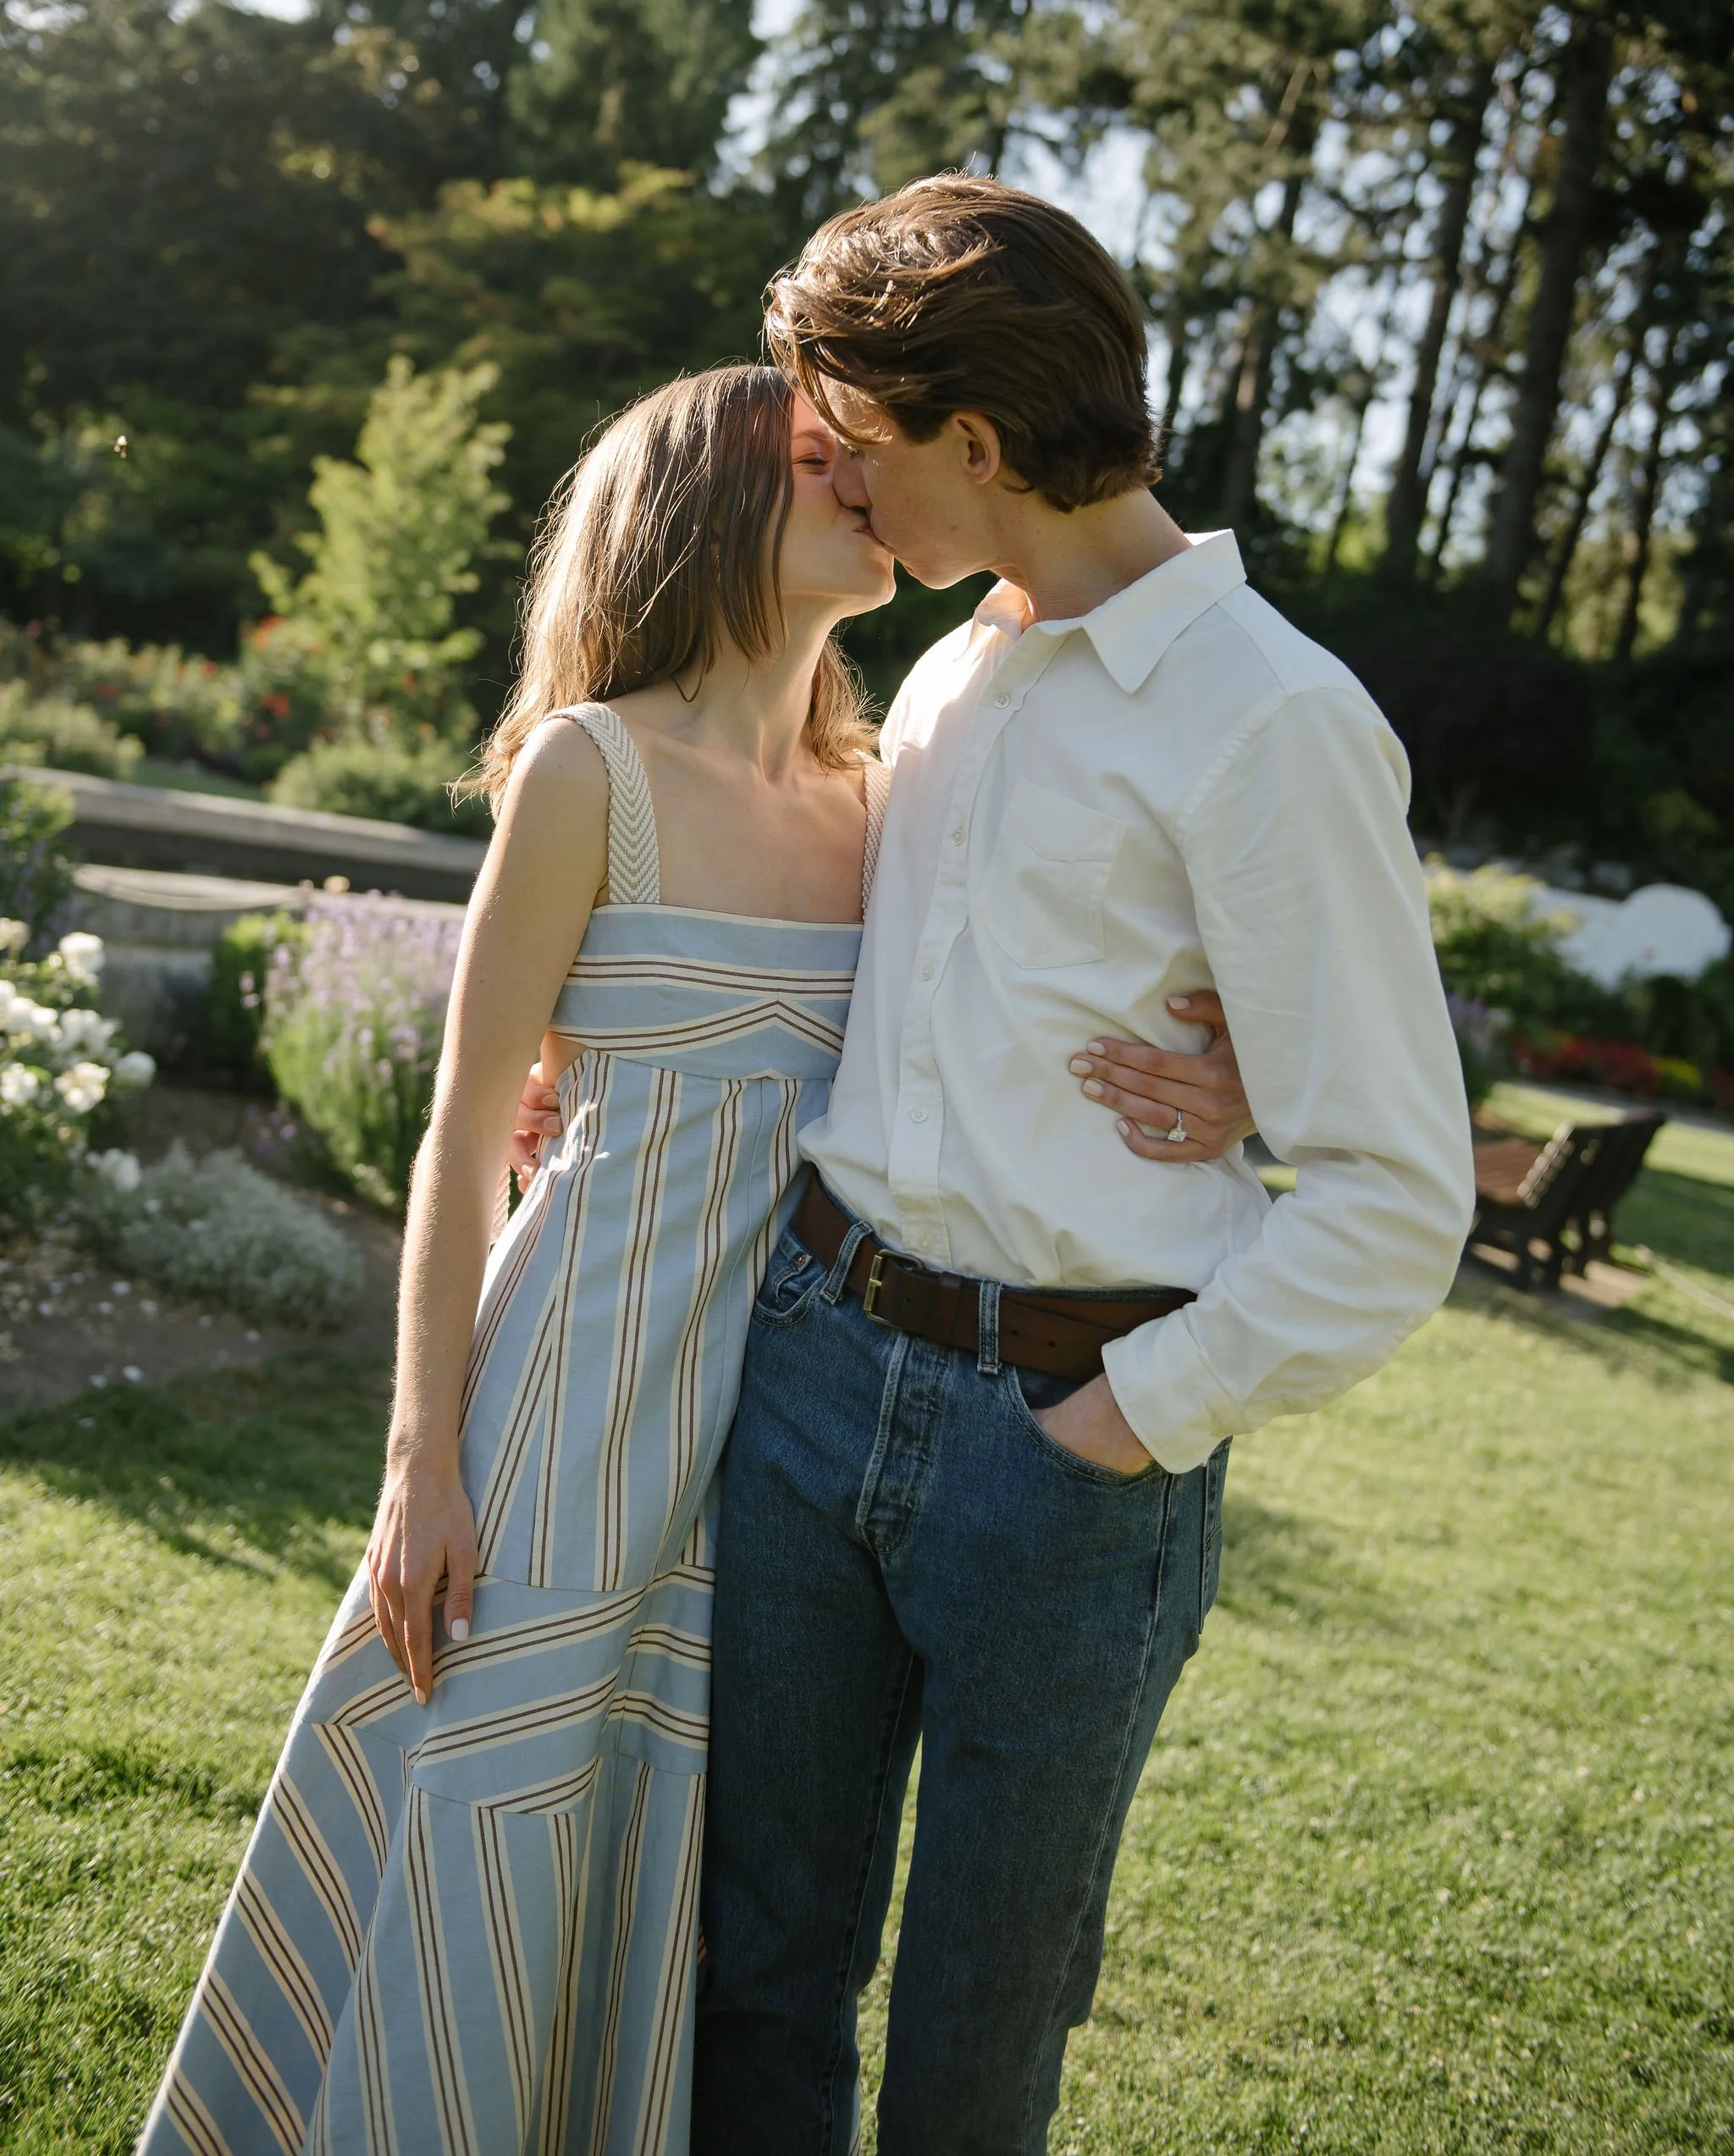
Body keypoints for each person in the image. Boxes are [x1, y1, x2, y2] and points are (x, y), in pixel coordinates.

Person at [139, 361, 1251, 2156]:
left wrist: (1238, 1068)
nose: (869, 491)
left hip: (788, 1428)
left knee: (685, 1887)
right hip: (573, 1390)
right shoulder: (592, 770)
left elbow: (1028, 1005)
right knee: (496, 1803)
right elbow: (459, 1129)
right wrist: (422, 1463)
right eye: (824, 465)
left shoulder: (880, 793)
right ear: (709, 510)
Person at [676, 178, 1476, 2156]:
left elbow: (1394, 1193)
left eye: (859, 453)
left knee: (975, 2038)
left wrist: (1120, 1424)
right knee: (752, 1969)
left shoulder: (1272, 722)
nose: (843, 498)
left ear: (976, 440)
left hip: (1064, 1446)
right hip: (807, 1381)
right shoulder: (957, 664)